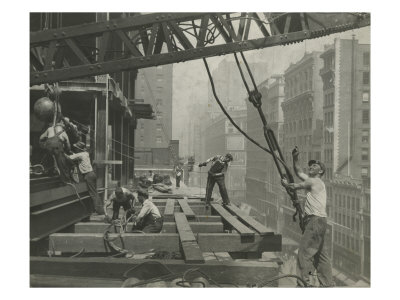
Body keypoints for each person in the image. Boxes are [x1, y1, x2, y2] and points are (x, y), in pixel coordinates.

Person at [281, 146, 333, 287]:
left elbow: (294, 186)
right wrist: (295, 158)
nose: (311, 167)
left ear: (320, 171)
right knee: (321, 256)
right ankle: (327, 284)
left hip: (314, 221)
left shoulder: (314, 181)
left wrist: (286, 184)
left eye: (314, 165)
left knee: (304, 254)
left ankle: (305, 283)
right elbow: (298, 171)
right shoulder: (315, 182)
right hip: (321, 222)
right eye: (310, 165)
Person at [68, 141, 102, 214]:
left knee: (93, 194)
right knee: (95, 192)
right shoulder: (85, 153)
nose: (75, 149)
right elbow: (77, 155)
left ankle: (99, 210)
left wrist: (62, 153)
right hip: (92, 174)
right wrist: (73, 153)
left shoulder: (80, 155)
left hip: (88, 175)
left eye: (76, 148)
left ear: (79, 149)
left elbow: (69, 158)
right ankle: (99, 209)